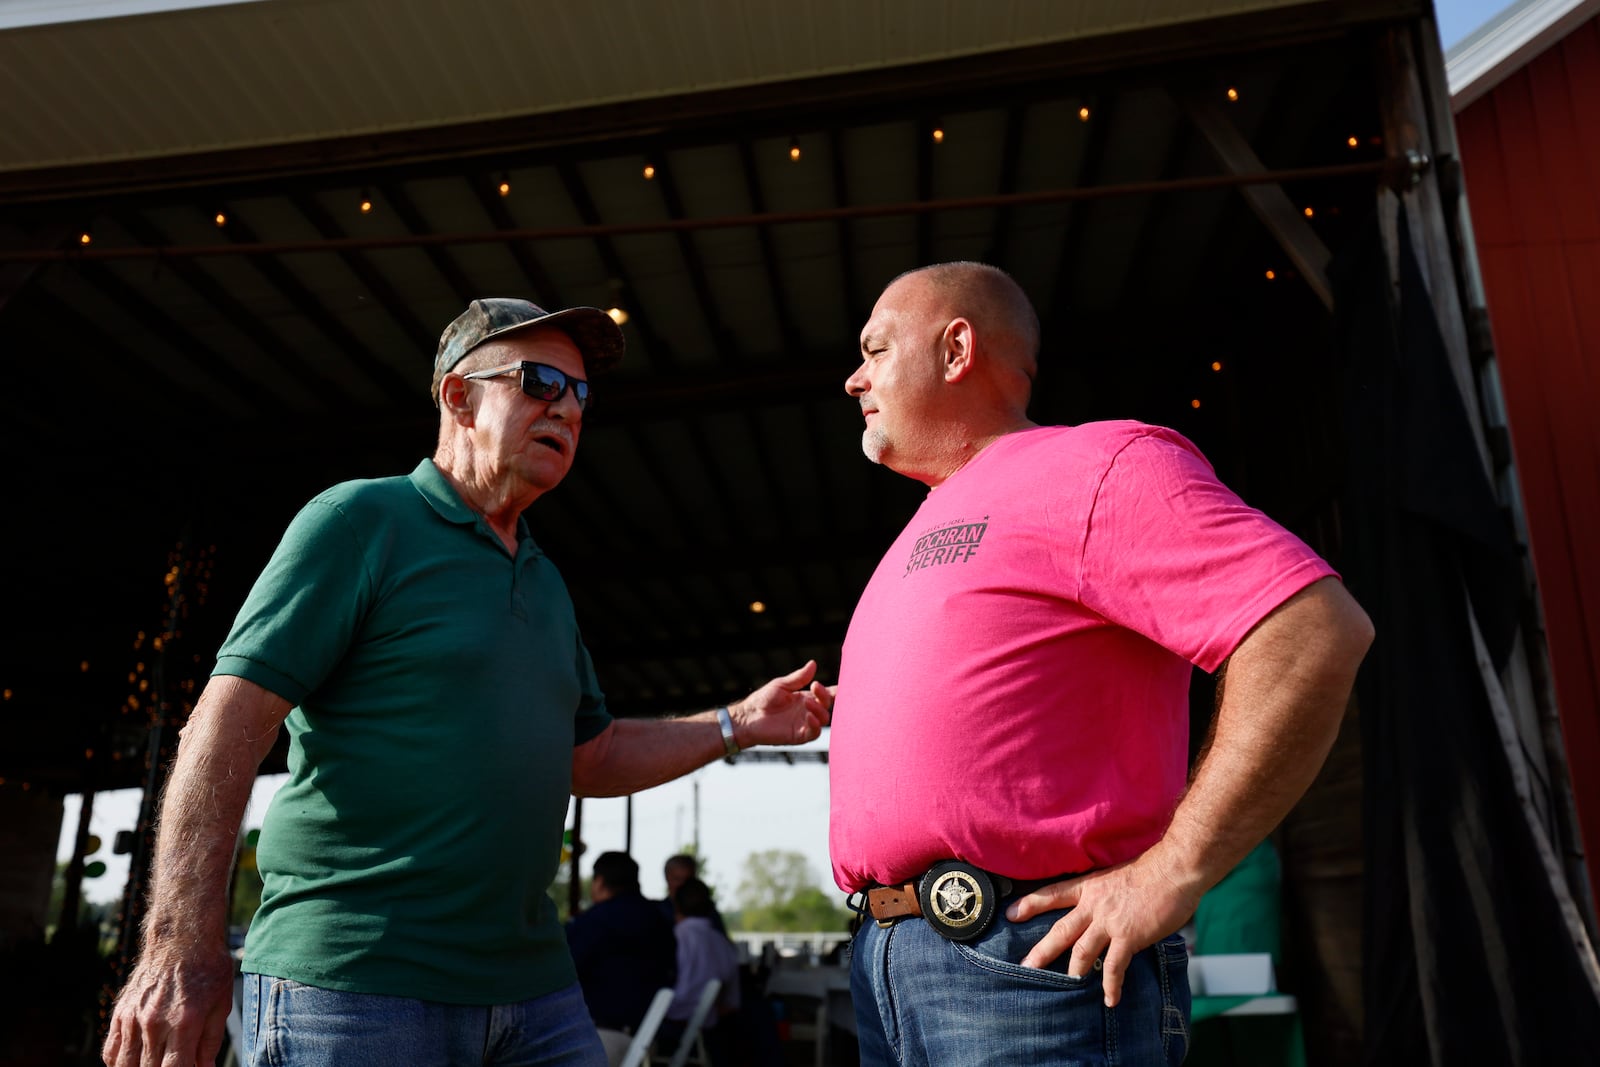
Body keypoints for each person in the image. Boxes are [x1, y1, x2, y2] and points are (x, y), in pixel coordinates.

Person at [102, 297, 833, 1067]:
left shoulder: (545, 581)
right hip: (360, 985)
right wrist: (178, 942)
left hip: (536, 991)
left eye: (582, 394)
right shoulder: (361, 522)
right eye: (542, 381)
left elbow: (595, 752)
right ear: (458, 395)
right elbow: (224, 727)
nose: (569, 408)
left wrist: (740, 721)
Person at [829, 262, 1373, 1066]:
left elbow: (1313, 627)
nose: (853, 378)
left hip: (1029, 964)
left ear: (956, 349)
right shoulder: (925, 522)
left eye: (876, 348)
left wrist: (1174, 869)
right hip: (891, 967)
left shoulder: (1100, 464)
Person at [565, 852, 677, 1035]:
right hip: (648, 1034)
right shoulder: (661, 919)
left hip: (599, 1035)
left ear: (599, 882)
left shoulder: (594, 921)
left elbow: (563, 972)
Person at [659, 878, 742, 1066]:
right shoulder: (723, 944)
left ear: (676, 906)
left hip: (671, 1024)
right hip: (708, 1028)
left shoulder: (674, 938)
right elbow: (731, 1004)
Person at [659, 853, 727, 935]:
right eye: (677, 879)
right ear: (667, 878)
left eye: (687, 880)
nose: (682, 884)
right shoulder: (657, 913)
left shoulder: (708, 913)